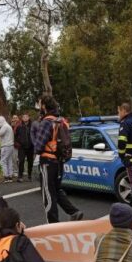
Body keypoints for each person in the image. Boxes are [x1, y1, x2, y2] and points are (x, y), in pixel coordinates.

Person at [32, 94, 84, 223]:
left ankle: (53, 224)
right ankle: (74, 212)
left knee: (48, 194)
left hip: (47, 162)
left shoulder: (46, 122)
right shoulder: (62, 121)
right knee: (56, 189)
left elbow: (38, 147)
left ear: (44, 105)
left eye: (40, 104)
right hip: (59, 161)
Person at [15, 113, 35, 182]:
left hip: (31, 147)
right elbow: (15, 136)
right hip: (22, 147)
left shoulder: (32, 125)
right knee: (21, 161)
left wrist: (34, 143)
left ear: (29, 117)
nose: (25, 118)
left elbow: (36, 134)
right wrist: (18, 143)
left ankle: (29, 175)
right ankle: (20, 176)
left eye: (26, 116)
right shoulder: (19, 126)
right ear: (22, 118)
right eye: (24, 117)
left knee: (30, 161)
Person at [0, 115, 15, 182]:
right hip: (10, 145)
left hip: (6, 146)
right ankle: (10, 176)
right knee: (9, 161)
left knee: (3, 161)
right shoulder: (8, 126)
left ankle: (6, 176)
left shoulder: (5, 126)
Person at [11, 114, 21, 181]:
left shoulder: (20, 125)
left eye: (16, 118)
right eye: (13, 118)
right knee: (14, 158)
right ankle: (16, 171)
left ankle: (21, 170)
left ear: (18, 118)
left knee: (20, 159)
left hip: (19, 145)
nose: (14, 119)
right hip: (14, 144)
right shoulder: (11, 126)